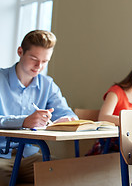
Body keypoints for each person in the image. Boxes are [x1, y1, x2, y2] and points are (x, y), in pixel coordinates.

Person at [0, 30, 78, 186]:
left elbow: (66, 113)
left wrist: (67, 120)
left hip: (30, 156)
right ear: (20, 52)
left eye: (45, 61)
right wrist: (24, 121)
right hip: (1, 157)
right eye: (34, 59)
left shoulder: (47, 85)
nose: (39, 66)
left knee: (71, 174)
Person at [86, 57, 132, 155]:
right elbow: (103, 117)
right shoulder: (116, 92)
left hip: (129, 143)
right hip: (109, 143)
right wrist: (131, 121)